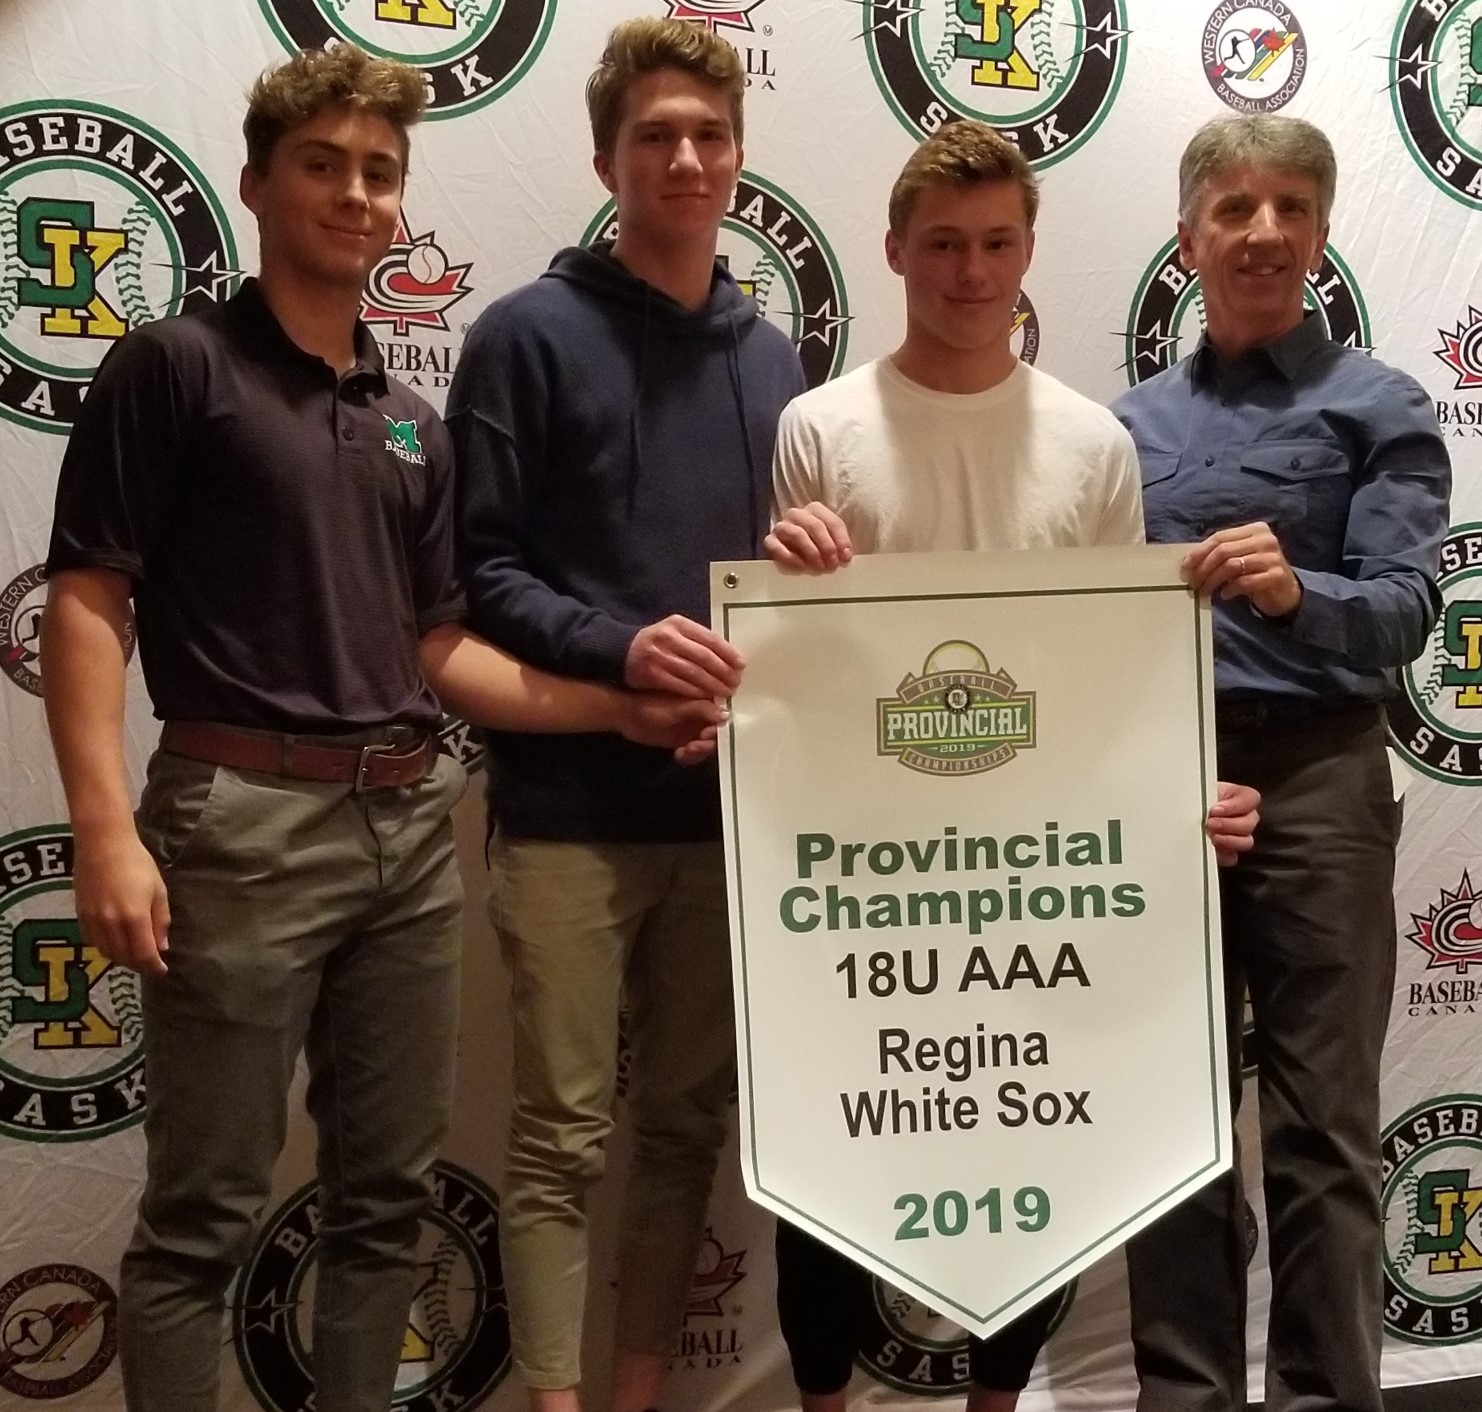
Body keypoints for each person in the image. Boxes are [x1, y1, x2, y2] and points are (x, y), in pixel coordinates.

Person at [40, 44, 717, 1412]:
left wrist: (618, 712)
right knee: (205, 1218)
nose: (355, 194)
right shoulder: (177, 367)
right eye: (324, 166)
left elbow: (443, 650)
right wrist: (105, 830)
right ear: (255, 184)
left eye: (379, 172)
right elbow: (86, 600)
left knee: (383, 1202)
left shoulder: (410, 422)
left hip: (408, 829)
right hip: (235, 823)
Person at [765, 119, 1260, 1412]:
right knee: (825, 1150)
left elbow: (1110, 674)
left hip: (1027, 869)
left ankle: (995, 1403)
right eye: (942, 244)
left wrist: (1167, 794)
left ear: (1028, 251)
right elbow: (787, 679)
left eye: (994, 244)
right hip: (860, 865)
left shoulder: (1094, 444)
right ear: (893, 252)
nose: (969, 271)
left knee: (1033, 1142)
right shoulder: (815, 428)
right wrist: (786, 577)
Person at [444, 17, 806, 1412]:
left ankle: (641, 1395)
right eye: (655, 134)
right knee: (557, 1140)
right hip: (564, 817)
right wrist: (619, 660)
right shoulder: (525, 335)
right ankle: (552, 1401)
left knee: (682, 1133)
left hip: (727, 817)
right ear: (606, 155)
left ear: (736, 160)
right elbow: (480, 574)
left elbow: (784, 597)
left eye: (708, 135)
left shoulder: (772, 362)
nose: (685, 156)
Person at [1113, 114, 1451, 1412]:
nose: (1261, 232)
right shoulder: (1123, 428)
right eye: (1233, 209)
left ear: (1317, 233)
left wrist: (1290, 589)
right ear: (1189, 235)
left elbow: (1407, 611)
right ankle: (1182, 1398)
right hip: (1168, 785)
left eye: (1287, 210)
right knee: (1172, 1134)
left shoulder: (1378, 406)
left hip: (1316, 778)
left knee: (1319, 1133)